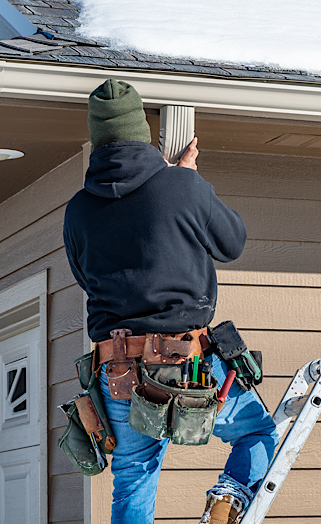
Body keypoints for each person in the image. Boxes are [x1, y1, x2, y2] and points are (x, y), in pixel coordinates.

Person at [63, 79, 278, 524]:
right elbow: (232, 242)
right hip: (189, 359)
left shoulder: (79, 210)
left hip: (118, 366)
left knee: (133, 477)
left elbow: (86, 277)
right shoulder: (181, 186)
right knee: (256, 432)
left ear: (97, 139)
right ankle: (229, 498)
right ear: (142, 133)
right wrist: (189, 182)